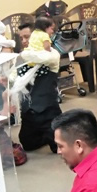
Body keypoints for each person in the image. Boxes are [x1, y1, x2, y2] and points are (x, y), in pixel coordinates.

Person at [17, 15, 62, 152]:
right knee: (28, 144)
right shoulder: (24, 55)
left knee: (57, 147)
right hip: (29, 111)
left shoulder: (52, 54)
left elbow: (43, 58)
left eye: (27, 37)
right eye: (21, 38)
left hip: (47, 110)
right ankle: (43, 135)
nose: (24, 41)